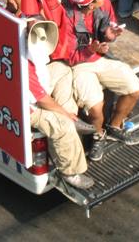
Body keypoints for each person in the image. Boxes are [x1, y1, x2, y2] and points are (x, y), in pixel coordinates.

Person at [64, 0, 139, 161]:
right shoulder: (67, 18)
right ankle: (99, 136)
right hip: (80, 66)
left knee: (134, 89)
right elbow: (69, 57)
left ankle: (114, 128)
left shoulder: (101, 7)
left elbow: (105, 30)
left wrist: (109, 35)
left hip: (101, 59)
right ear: (90, 4)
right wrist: (90, 50)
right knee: (96, 109)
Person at [26, 21, 95, 190]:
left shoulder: (29, 45)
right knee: (62, 126)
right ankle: (70, 172)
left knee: (61, 69)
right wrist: (64, 114)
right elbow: (40, 98)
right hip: (27, 107)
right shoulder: (23, 65)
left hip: (37, 88)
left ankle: (71, 117)